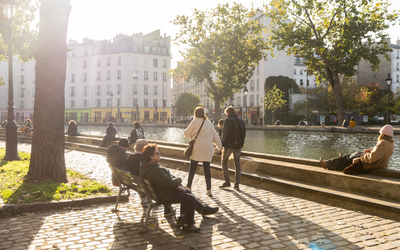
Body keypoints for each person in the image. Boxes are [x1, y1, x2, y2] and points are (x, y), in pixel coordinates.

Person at [140, 144, 219, 232]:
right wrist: (179, 179)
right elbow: (170, 184)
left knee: (186, 192)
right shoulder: (154, 170)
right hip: (163, 195)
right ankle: (188, 224)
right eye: (157, 153)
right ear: (150, 156)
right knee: (190, 198)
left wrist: (174, 180)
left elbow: (165, 180)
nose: (160, 155)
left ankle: (185, 217)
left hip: (159, 193)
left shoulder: (146, 166)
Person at [320, 125, 395, 174]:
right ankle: (341, 159)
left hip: (370, 165)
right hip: (378, 165)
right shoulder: (390, 144)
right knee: (355, 154)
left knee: (348, 158)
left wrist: (362, 158)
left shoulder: (382, 143)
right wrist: (370, 151)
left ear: (382, 134)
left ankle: (327, 164)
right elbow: (379, 153)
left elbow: (373, 158)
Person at [184, 107, 222, 197]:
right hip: (208, 149)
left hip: (197, 147)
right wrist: (220, 147)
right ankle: (209, 190)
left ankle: (189, 187)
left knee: (192, 168)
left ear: (195, 113)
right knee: (207, 169)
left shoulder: (194, 121)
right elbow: (215, 137)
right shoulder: (208, 123)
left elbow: (186, 134)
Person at [219, 106, 246, 190]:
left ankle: (227, 182)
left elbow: (225, 135)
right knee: (237, 164)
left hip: (229, 146)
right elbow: (244, 133)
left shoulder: (227, 120)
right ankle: (237, 183)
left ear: (227, 113)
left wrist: (221, 145)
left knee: (224, 162)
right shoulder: (240, 120)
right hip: (238, 146)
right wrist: (241, 143)